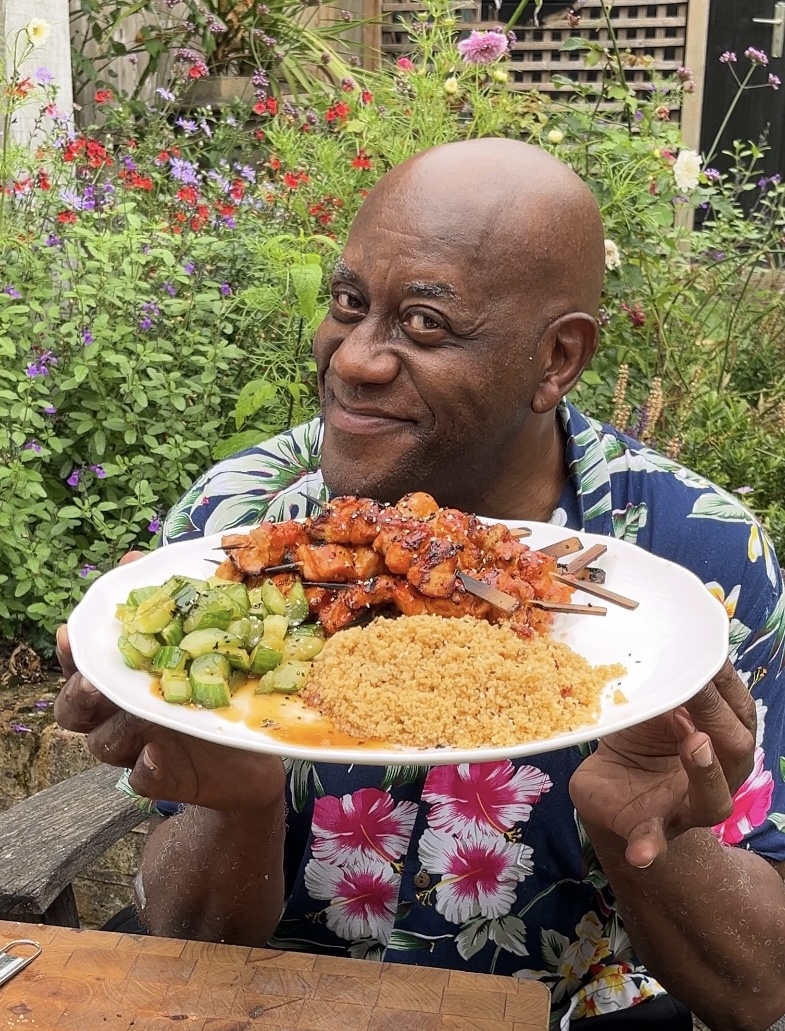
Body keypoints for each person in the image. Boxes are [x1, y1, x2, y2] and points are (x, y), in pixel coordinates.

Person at [55, 139, 785, 1030]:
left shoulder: (694, 557)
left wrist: (646, 837)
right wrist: (235, 803)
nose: (354, 360)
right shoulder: (237, 529)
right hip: (281, 1001)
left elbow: (757, 992)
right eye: (348, 304)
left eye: (425, 323)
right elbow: (186, 938)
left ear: (556, 359)